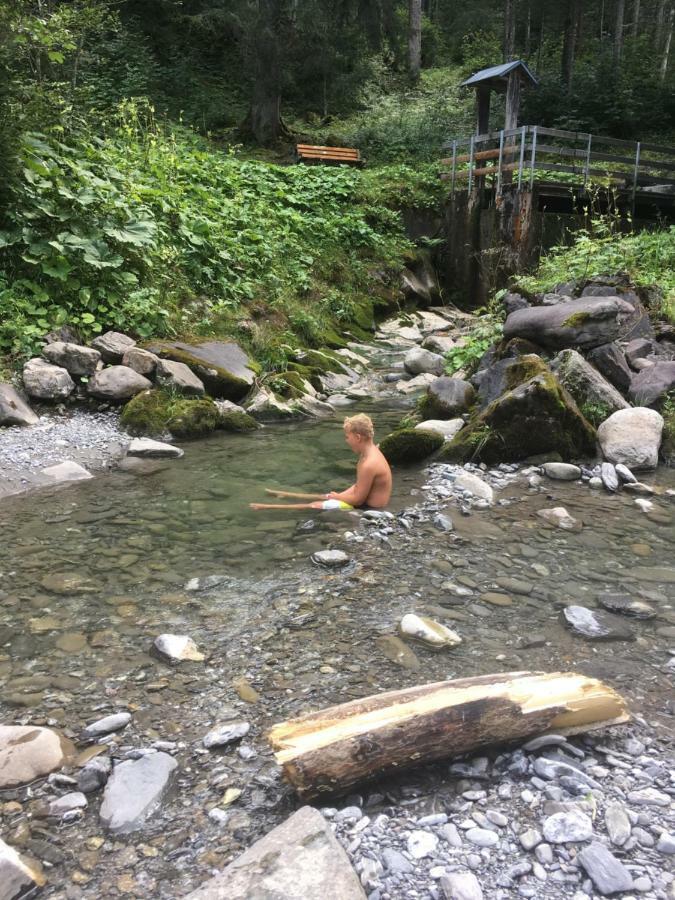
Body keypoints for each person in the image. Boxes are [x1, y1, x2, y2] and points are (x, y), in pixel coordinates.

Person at [249, 413, 392, 511]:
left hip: (371, 510)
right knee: (326, 496)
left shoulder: (369, 464)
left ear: (358, 437)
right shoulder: (369, 453)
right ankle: (284, 494)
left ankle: (266, 507)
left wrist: (337, 496)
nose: (346, 440)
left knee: (315, 505)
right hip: (363, 501)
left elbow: (358, 501)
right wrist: (336, 496)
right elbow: (358, 487)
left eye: (347, 437)